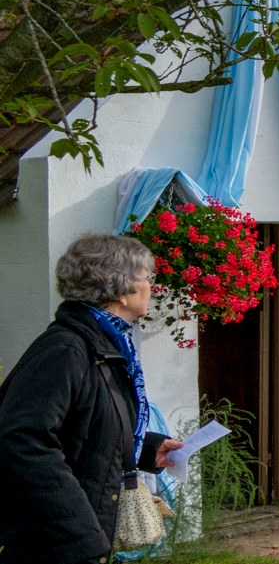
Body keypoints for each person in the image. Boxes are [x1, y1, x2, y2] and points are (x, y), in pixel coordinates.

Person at [0, 232, 185, 563]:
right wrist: (79, 529)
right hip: (51, 541)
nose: (151, 286)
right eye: (147, 277)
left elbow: (87, 422)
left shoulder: (103, 344)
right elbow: (23, 440)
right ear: (123, 290)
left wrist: (143, 447)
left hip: (75, 536)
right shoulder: (66, 349)